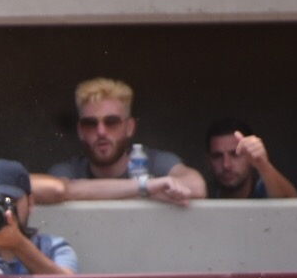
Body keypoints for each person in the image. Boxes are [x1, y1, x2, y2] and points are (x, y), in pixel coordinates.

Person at [49, 78, 206, 204]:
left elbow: (197, 186)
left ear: (129, 127)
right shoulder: (68, 170)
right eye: (90, 123)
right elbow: (60, 190)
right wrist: (147, 188)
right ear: (80, 131)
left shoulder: (155, 161)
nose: (101, 131)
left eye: (111, 121)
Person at [204, 118, 297, 200]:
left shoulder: (266, 188)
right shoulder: (205, 193)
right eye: (217, 156)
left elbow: (293, 207)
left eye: (235, 154)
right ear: (208, 161)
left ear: (250, 156)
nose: (226, 165)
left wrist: (262, 165)